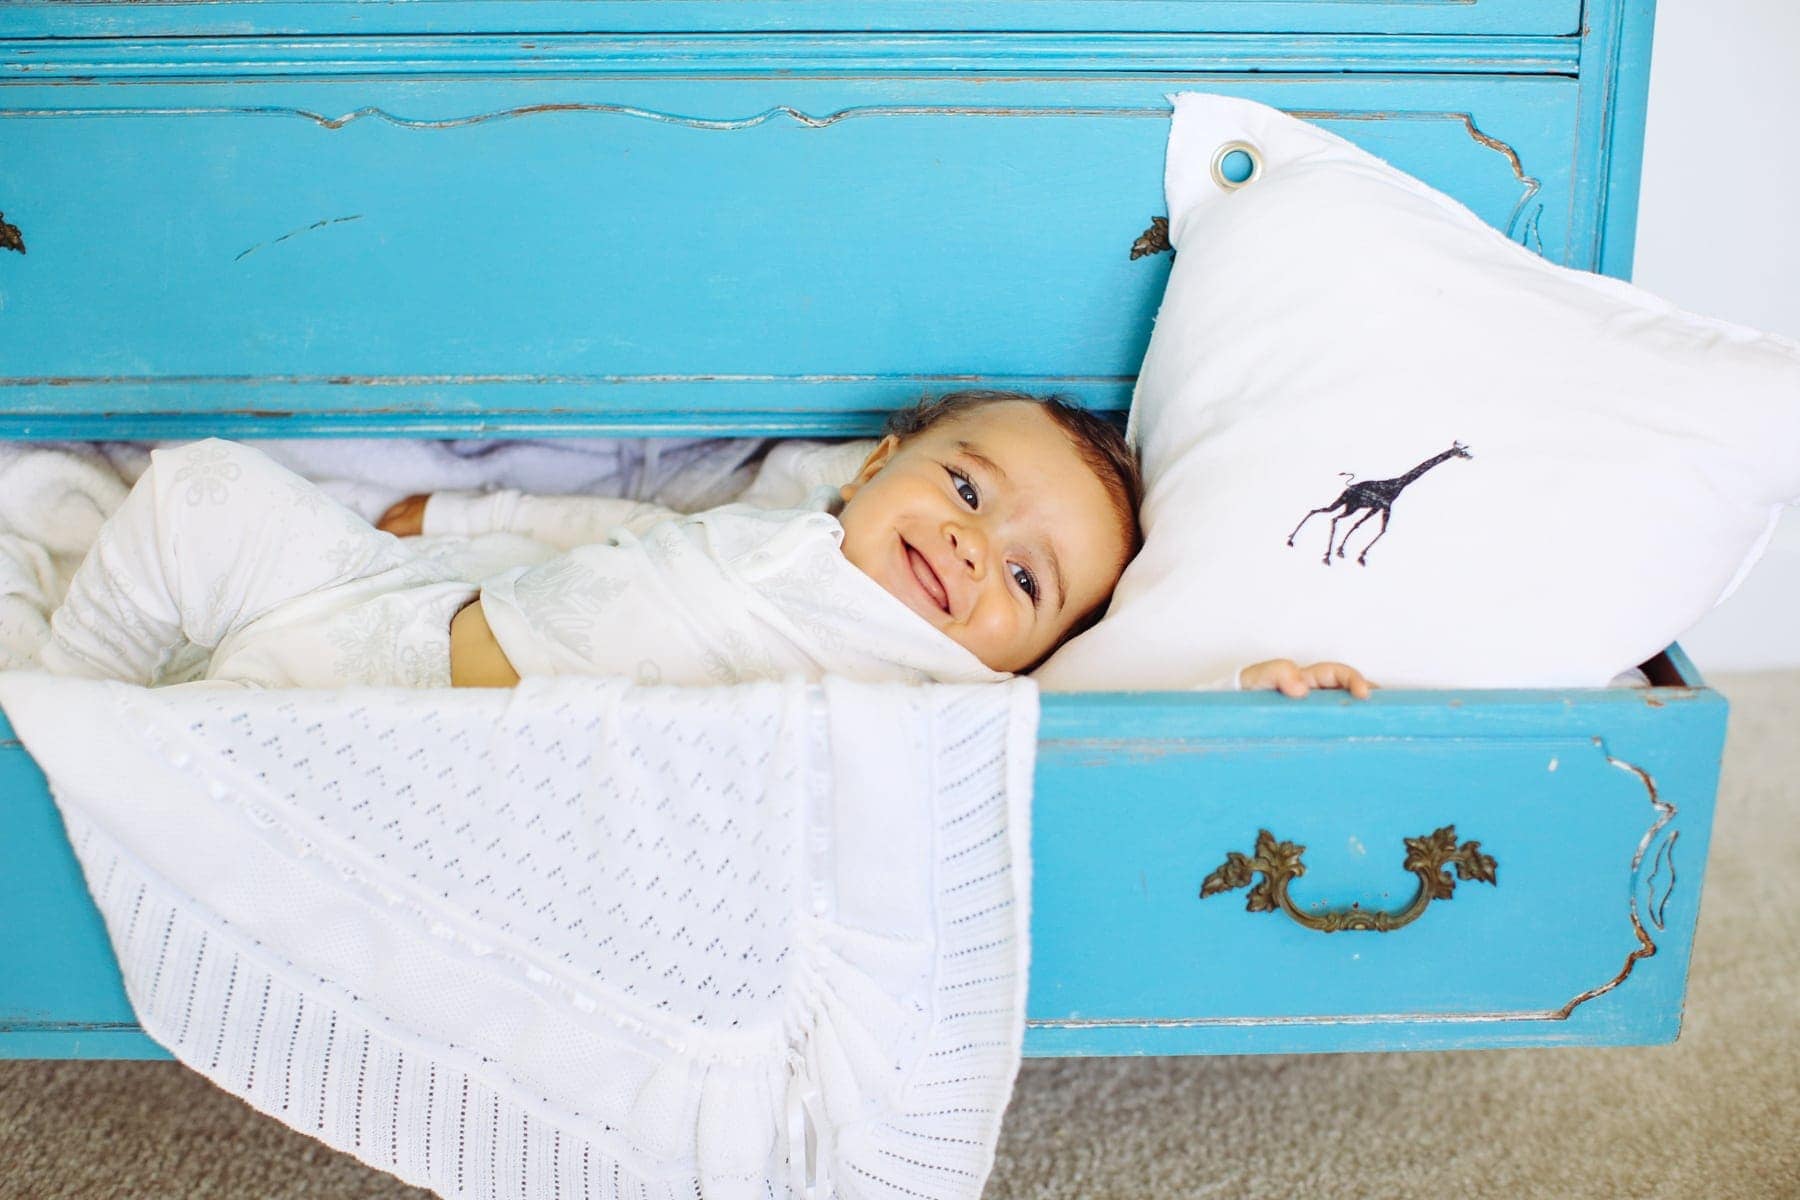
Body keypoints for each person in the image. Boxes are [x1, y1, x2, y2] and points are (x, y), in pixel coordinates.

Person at [41, 390, 1371, 696]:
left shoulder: (918, 687)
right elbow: (631, 525)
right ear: (877, 465)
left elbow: (1094, 728)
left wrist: (1236, 683)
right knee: (200, 491)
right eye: (968, 493)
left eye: (1028, 580)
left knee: (226, 758)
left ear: (1028, 655)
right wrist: (458, 514)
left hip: (396, 713)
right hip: (399, 590)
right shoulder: (787, 516)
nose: (974, 553)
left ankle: (116, 740)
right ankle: (68, 699)